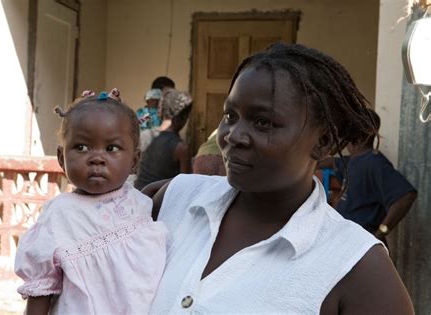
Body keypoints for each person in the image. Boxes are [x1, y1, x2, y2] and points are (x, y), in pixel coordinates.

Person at [145, 43, 413, 313]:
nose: (234, 135)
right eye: (230, 116)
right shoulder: (175, 199)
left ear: (323, 142)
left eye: (263, 122)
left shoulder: (357, 267)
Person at [14, 89, 167, 314]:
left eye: (111, 148)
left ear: (134, 160)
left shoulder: (140, 203)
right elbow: (41, 289)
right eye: (81, 147)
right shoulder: (59, 214)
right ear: (61, 157)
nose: (97, 158)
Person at [319, 109, 417, 242]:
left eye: (350, 130)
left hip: (361, 243)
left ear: (361, 135)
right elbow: (332, 162)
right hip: (346, 240)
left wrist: (380, 233)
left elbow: (406, 196)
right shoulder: (353, 160)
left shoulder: (374, 163)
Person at [134, 89, 192, 190]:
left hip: (139, 195)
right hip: (160, 200)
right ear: (183, 117)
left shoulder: (144, 136)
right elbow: (185, 186)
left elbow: (136, 169)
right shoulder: (181, 148)